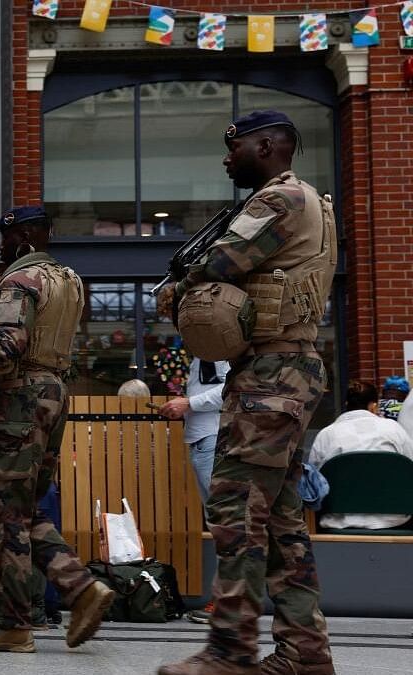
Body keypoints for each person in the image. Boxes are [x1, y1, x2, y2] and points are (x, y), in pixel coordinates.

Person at [160, 111, 337, 675]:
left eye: (233, 146)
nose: (225, 158)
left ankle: (229, 652)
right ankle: (304, 654)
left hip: (273, 373)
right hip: (282, 369)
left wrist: (178, 289)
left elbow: (220, 262)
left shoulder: (279, 201)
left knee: (235, 509)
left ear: (266, 146)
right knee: (281, 521)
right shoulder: (308, 201)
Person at [0, 206, 114, 654]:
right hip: (54, 392)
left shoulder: (21, 280)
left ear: (26, 236)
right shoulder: (69, 281)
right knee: (26, 510)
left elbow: (8, 346)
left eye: (7, 239)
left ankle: (11, 624)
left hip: (20, 398)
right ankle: (80, 588)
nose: (3, 247)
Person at [158, 356, 230, 624]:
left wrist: (189, 403)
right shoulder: (210, 348)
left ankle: (226, 602)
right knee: (224, 522)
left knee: (226, 523)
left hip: (212, 439)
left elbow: (232, 388)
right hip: (207, 439)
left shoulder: (217, 347)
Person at [308, 379, 413, 530]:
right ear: (374, 406)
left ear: (346, 405)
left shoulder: (326, 434)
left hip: (339, 519)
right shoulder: (394, 429)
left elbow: (314, 482)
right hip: (396, 518)